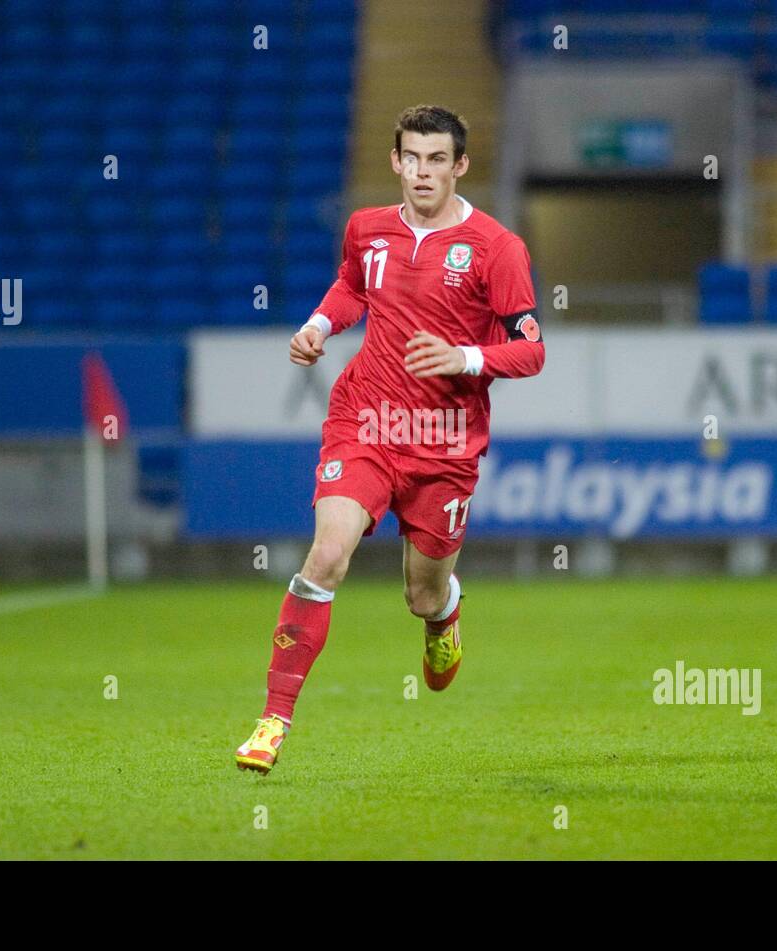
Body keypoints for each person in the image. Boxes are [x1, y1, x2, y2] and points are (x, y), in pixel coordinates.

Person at [234, 105, 546, 773]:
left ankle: (446, 615)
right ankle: (273, 719)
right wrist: (320, 324)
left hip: (445, 441)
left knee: (421, 594)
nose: (424, 172)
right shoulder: (366, 230)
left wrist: (463, 358)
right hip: (367, 422)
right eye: (413, 158)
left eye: (439, 159)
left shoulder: (498, 248)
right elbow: (351, 287)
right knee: (326, 554)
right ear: (396, 161)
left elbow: (531, 351)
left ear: (460, 166)